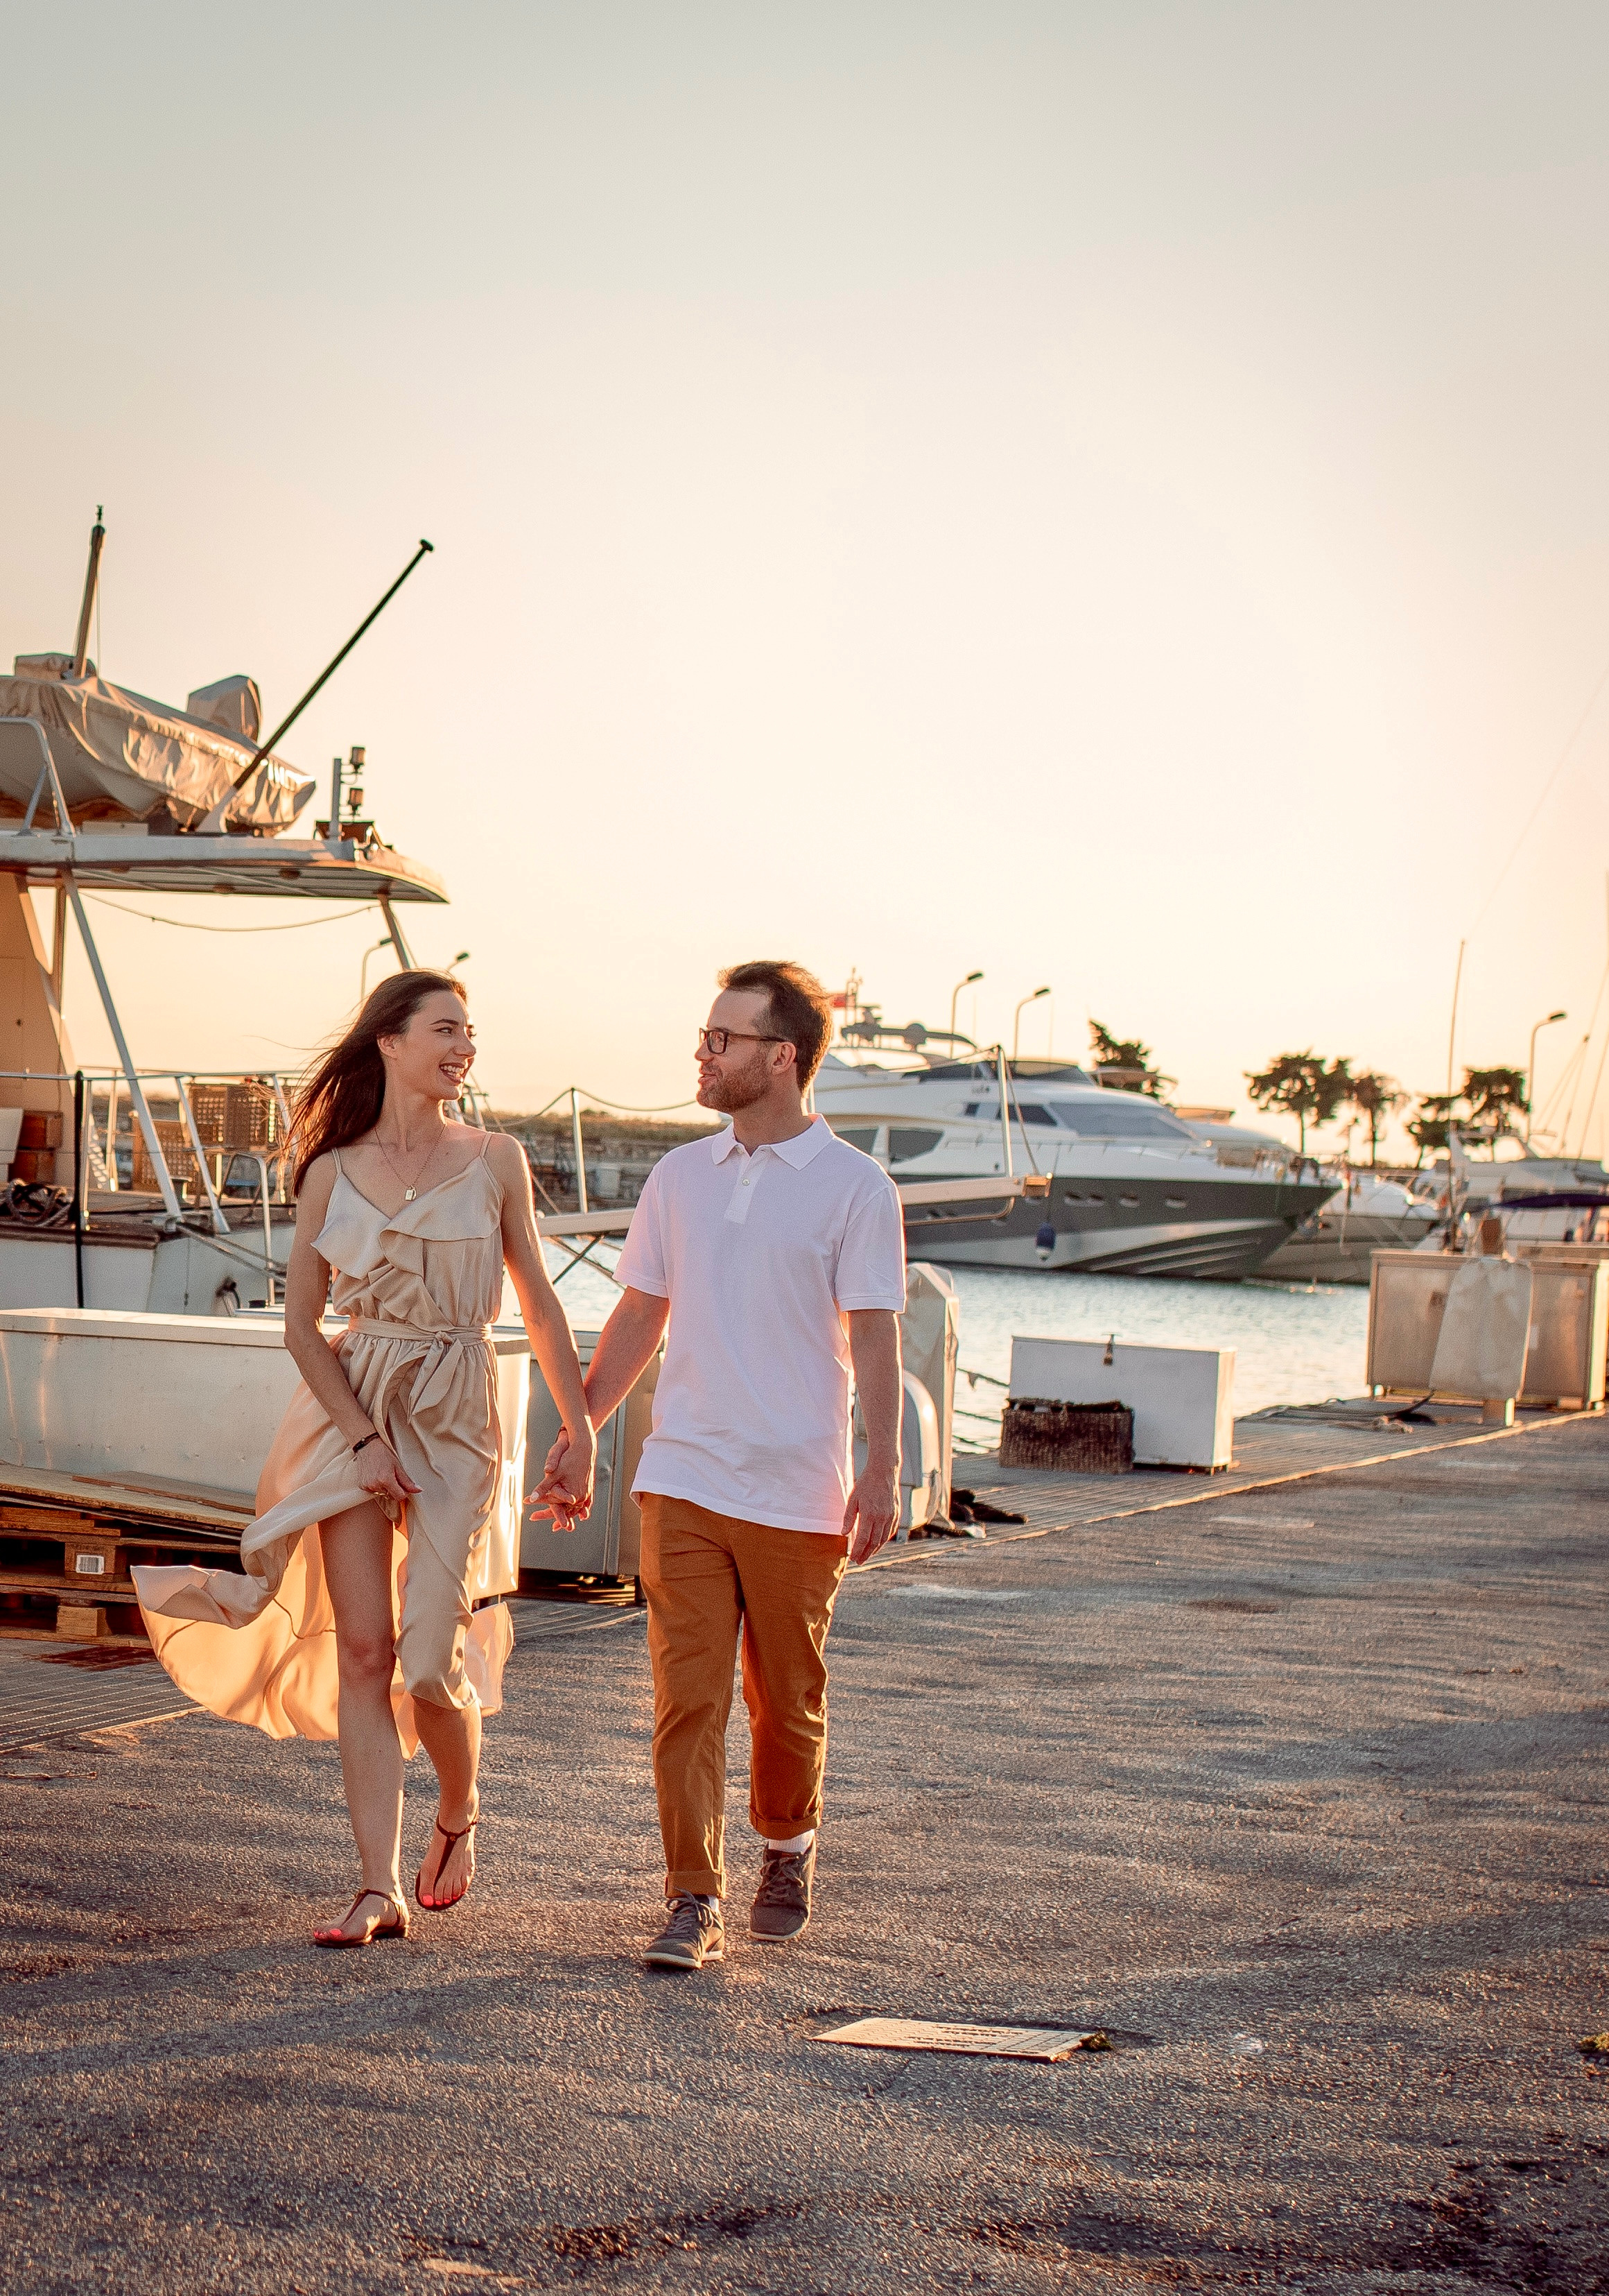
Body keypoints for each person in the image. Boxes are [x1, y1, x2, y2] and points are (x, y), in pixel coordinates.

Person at [134, 972, 594, 1947]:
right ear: (389, 1042)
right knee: (362, 1652)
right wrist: (361, 1439)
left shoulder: (496, 1158)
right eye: (445, 1029)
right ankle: (376, 1886)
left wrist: (580, 1424)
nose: (464, 1046)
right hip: (351, 1407)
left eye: (472, 1030)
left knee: (430, 1657)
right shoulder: (329, 1173)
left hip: (458, 1408)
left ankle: (459, 1814)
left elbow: (541, 1304)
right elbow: (302, 1330)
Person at [541, 959, 905, 1969]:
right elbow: (640, 1313)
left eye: (722, 1040)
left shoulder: (854, 1187)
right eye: (704, 1038)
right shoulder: (679, 1177)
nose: (701, 1055)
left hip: (796, 1484)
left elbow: (874, 1337)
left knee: (785, 1699)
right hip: (684, 1475)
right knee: (685, 1697)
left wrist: (881, 1473)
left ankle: (786, 1845)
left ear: (781, 1057)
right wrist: (581, 1432)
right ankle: (691, 1896)